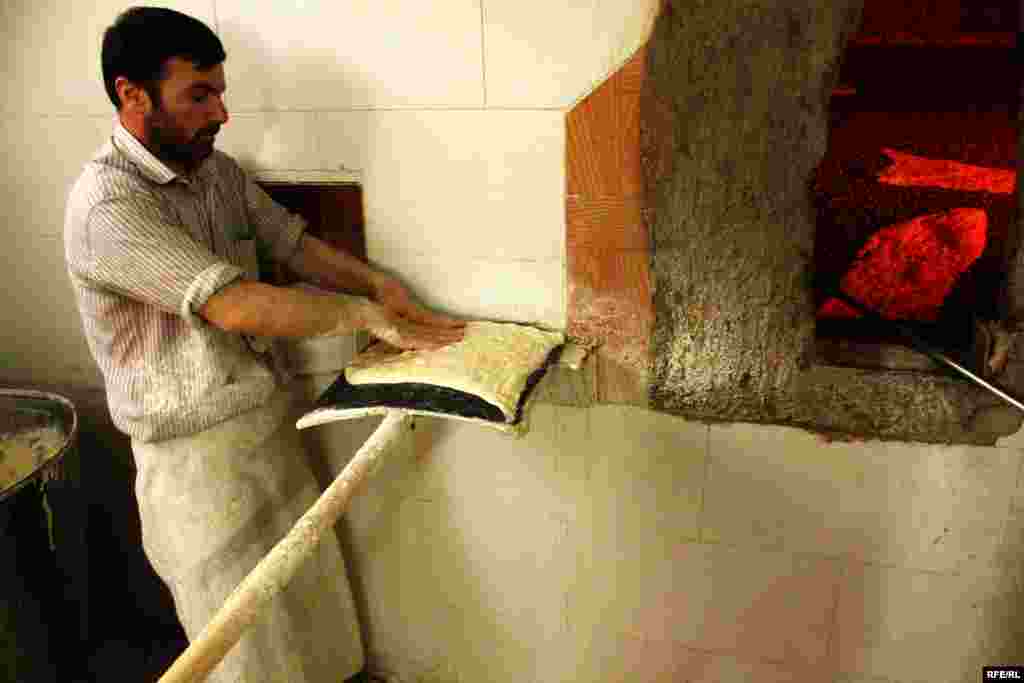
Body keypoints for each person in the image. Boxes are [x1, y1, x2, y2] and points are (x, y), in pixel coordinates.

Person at [64, 7, 465, 682]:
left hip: (266, 431)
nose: (221, 111)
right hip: (194, 468)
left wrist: (381, 284)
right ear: (132, 94)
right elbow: (234, 303)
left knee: (319, 621)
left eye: (220, 90)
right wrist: (367, 317)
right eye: (200, 94)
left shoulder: (213, 172)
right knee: (251, 656)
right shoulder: (108, 206)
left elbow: (293, 244)